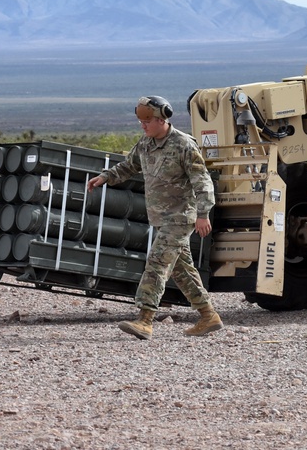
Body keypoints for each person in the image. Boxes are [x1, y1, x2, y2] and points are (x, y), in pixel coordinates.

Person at [87, 95, 222, 339]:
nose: (143, 125)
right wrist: (106, 177)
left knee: (157, 263)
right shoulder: (146, 144)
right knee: (182, 270)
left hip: (180, 218)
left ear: (162, 119)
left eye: (147, 121)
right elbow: (129, 166)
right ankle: (208, 316)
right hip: (160, 218)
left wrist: (203, 213)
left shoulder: (184, 145)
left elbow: (202, 181)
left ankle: (145, 320)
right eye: (141, 121)